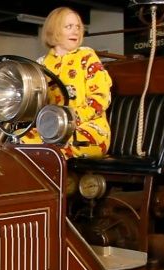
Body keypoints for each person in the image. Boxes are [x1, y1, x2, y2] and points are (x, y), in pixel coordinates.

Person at [21, 6, 113, 159]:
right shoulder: (41, 64)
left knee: (57, 145)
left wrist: (70, 120)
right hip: (51, 130)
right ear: (54, 30)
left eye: (78, 27)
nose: (75, 31)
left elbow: (101, 97)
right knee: (19, 141)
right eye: (69, 27)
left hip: (88, 127)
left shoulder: (87, 56)